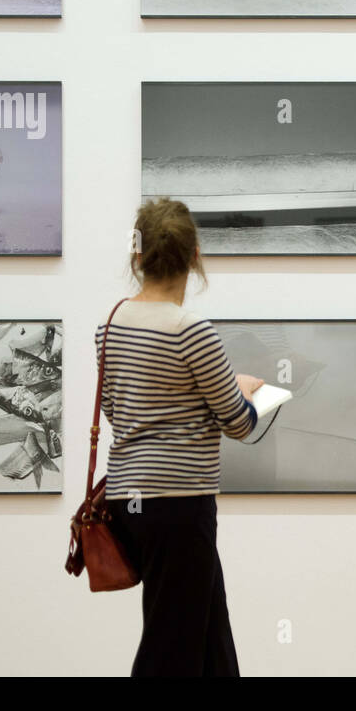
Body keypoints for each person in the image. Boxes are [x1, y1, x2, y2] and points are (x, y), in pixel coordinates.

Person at [100, 198, 264, 677]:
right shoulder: (190, 331)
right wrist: (247, 392)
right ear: (195, 256)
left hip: (128, 500)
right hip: (178, 502)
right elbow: (238, 423)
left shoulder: (108, 327)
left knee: (210, 635)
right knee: (171, 647)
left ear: (138, 256)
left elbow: (119, 412)